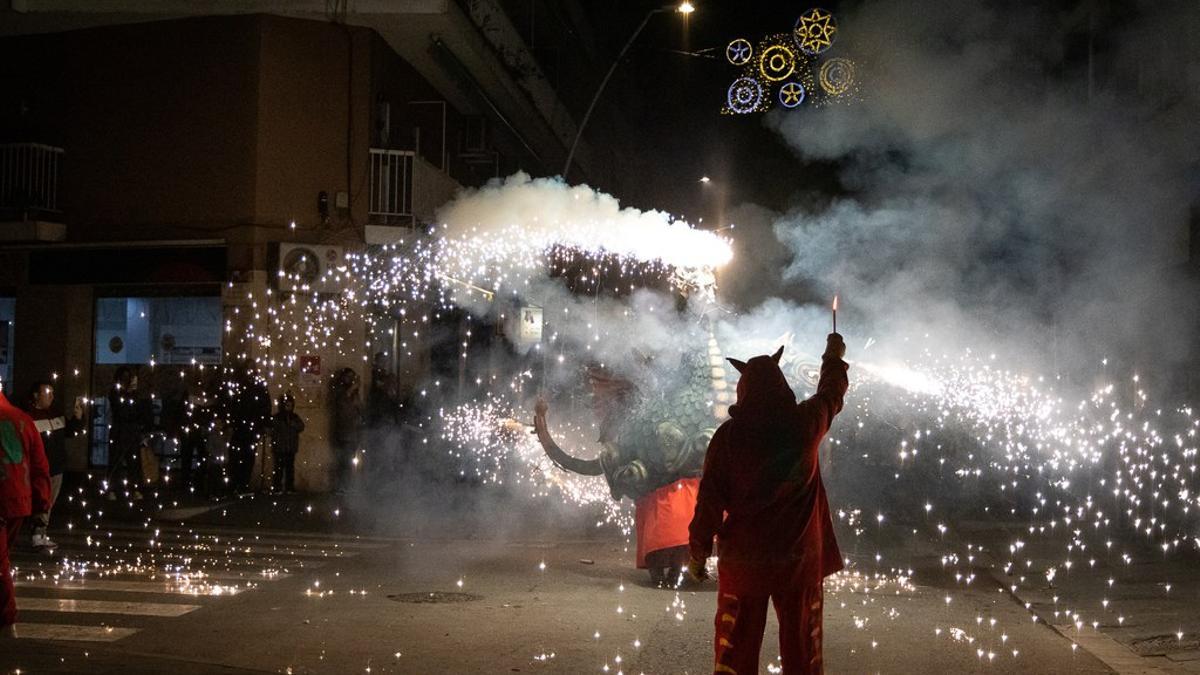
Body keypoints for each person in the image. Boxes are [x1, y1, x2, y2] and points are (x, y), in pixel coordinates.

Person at [688, 333, 849, 675]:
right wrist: (833, 357)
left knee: (735, 655)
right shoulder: (805, 423)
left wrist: (698, 552)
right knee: (802, 652)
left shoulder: (728, 438)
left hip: (745, 563)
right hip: (798, 562)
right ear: (781, 385)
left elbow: (709, 502)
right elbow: (830, 394)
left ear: (743, 389)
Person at [1, 385, 52, 639]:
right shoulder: (23, 420)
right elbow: (40, 466)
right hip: (17, 500)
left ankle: (6, 617)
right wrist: (41, 502)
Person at [23, 381, 86, 553]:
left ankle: (40, 534)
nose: (51, 396)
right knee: (41, 501)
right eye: (47, 392)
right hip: (40, 469)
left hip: (56, 467)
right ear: (36, 395)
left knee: (48, 502)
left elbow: (71, 431)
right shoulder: (29, 417)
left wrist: (78, 417)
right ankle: (37, 535)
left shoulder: (55, 415)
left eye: (52, 392)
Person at [107, 366, 152, 500]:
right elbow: (120, 411)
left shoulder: (134, 394)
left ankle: (135, 489)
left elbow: (139, 412)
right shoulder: (115, 392)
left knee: (134, 463)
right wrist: (128, 394)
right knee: (116, 462)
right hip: (119, 431)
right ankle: (112, 490)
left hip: (131, 432)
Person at [226, 362, 271, 494]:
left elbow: (265, 406)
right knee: (236, 455)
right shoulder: (240, 384)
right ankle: (235, 483)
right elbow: (232, 404)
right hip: (241, 425)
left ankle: (242, 484)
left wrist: (264, 424)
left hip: (251, 426)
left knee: (247, 456)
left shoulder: (258, 385)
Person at [330, 368, 362, 493]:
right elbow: (341, 401)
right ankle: (341, 486)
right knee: (342, 461)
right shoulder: (340, 390)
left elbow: (359, 406)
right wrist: (353, 387)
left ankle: (348, 485)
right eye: (348, 376)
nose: (350, 379)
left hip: (353, 431)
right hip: (343, 431)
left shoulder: (353, 393)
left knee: (349, 461)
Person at [270, 392, 305, 493]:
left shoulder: (294, 417)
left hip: (290, 447)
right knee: (279, 468)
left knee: (290, 468)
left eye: (290, 405)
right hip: (280, 447)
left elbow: (301, 426)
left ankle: (289, 487)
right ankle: (277, 487)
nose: (288, 408)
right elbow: (273, 428)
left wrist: (292, 424)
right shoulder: (278, 417)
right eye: (286, 405)